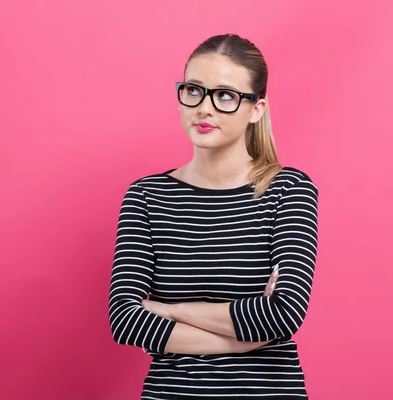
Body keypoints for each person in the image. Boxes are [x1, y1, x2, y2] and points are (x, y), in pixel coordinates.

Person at [108, 33, 319, 399]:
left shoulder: (288, 190)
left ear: (256, 109)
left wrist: (169, 309)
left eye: (225, 96)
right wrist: (240, 342)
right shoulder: (147, 196)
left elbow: (283, 314)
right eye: (194, 90)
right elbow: (126, 319)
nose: (204, 108)